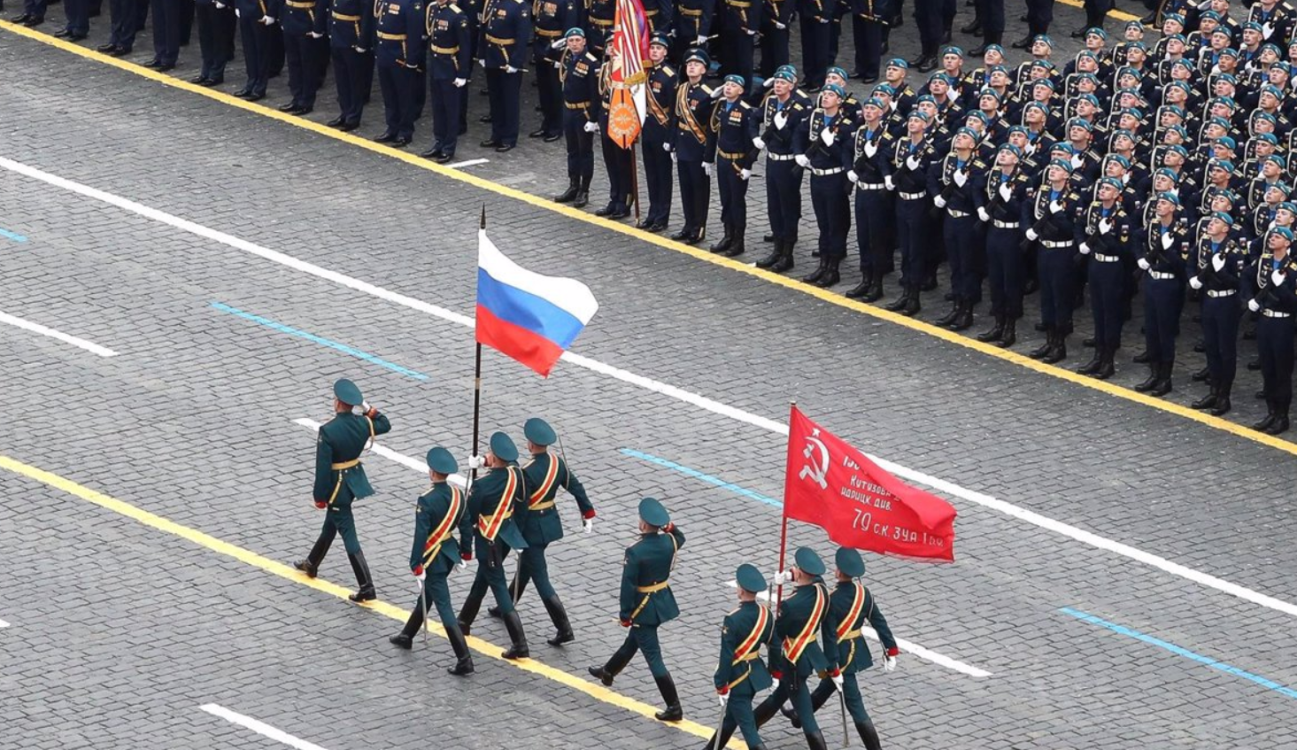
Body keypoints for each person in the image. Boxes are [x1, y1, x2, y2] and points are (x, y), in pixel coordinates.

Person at [486, 418, 595, 647]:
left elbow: (522, 507)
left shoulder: (527, 472)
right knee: (526, 568)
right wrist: (587, 512)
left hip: (532, 531)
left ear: (531, 445)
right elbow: (576, 488)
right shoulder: (557, 463)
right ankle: (507, 603)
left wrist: (516, 534)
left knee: (541, 579)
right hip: (549, 526)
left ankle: (564, 628)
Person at [779, 548, 899, 750]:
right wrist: (890, 649)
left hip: (839, 656)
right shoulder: (864, 594)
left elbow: (830, 636)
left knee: (855, 705)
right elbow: (879, 622)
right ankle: (799, 716)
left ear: (838, 571)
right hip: (856, 649)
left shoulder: (831, 598)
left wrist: (833, 666)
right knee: (827, 686)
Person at [293, 378, 391, 603]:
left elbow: (323, 468)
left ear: (337, 403)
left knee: (348, 534)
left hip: (337, 488)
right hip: (352, 481)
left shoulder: (328, 430)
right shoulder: (363, 424)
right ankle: (312, 563)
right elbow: (385, 424)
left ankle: (366, 586)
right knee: (331, 525)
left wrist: (319, 497)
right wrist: (367, 407)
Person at [588, 497, 686, 722]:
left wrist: (625, 614)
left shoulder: (635, 551)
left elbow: (628, 586)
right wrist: (669, 526)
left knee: (654, 658)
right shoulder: (669, 542)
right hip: (660, 602)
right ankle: (608, 671)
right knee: (634, 641)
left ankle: (674, 706)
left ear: (643, 524)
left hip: (643, 609)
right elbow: (680, 537)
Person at [388, 447, 475, 677]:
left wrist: (415, 563)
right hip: (448, 553)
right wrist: (466, 552)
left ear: (432, 472)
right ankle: (407, 634)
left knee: (444, 608)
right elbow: (466, 526)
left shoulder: (426, 500)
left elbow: (421, 535)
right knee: (427, 595)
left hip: (433, 560)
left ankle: (464, 658)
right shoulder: (458, 495)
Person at [456, 431, 530, 660]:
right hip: (504, 534)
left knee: (498, 587)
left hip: (487, 538)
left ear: (496, 459)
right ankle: (464, 621)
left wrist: (465, 548)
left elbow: (469, 517)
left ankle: (520, 643)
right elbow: (513, 465)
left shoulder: (482, 485)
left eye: (489, 453)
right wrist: (486, 461)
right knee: (483, 579)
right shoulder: (515, 474)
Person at [748, 546, 831, 750]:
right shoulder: (822, 591)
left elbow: (777, 635)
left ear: (802, 572)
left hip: (793, 662)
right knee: (779, 697)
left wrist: (773, 670)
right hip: (810, 653)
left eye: (795, 568)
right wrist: (790, 575)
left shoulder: (790, 605)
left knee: (806, 717)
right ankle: (752, 723)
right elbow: (816, 578)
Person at [698, 564, 774, 750]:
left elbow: (726, 656)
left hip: (738, 680)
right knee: (730, 720)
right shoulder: (766, 614)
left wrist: (720, 684)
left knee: (749, 731)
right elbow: (774, 644)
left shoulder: (733, 619)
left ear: (741, 590)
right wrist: (774, 671)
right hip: (754, 676)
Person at [1023, 158, 1083, 364]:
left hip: (1063, 252)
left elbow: (1073, 230)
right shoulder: (1043, 192)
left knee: (1061, 297)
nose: (1053, 171)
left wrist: (1059, 216)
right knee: (1047, 296)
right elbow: (1027, 209)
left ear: (1067, 175)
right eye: (1052, 168)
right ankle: (1049, 340)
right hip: (1044, 248)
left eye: (1058, 169)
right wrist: (1028, 229)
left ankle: (1060, 343)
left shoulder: (1074, 198)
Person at [1132, 195, 1193, 397]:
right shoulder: (1153, 226)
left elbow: (1182, 266)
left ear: (1173, 208)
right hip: (1151, 280)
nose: (1159, 205)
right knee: (1151, 329)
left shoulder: (1182, 233)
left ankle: (1165, 378)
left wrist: (1169, 250)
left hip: (1169, 284)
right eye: (1158, 203)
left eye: (1164, 203)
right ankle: (1154, 373)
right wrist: (1140, 258)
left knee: (1165, 332)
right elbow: (1136, 238)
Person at [796, 84, 856, 288]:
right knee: (823, 224)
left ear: (840, 101)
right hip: (817, 177)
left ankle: (833, 268)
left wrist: (832, 145)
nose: (825, 97)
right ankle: (823, 264)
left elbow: (848, 157)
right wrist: (800, 154)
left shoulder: (846, 126)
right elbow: (799, 134)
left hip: (835, 178)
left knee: (835, 223)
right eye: (824, 94)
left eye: (831, 94)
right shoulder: (816, 117)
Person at [1188, 212, 1247, 416]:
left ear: (1226, 228)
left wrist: (1221, 273)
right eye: (1211, 221)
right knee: (1211, 347)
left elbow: (1239, 283)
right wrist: (1192, 278)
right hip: (1209, 299)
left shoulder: (1233, 251)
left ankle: (1224, 395)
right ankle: (1213, 390)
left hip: (1226, 302)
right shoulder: (1204, 243)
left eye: (1216, 222)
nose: (1211, 224)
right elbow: (1191, 260)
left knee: (1226, 350)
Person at [1075, 178, 1133, 380]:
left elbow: (1125, 251)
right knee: (1098, 312)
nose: (1102, 190)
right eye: (1101, 187)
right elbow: (1080, 226)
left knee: (1110, 314)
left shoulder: (1122, 218)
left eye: (1108, 188)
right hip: (1096, 263)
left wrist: (1108, 236)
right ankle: (1098, 356)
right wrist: (1082, 243)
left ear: (1117, 194)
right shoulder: (1095, 209)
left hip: (1112, 266)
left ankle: (1108, 360)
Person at [755, 65, 811, 273]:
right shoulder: (770, 101)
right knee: (774, 206)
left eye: (782, 83)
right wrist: (755, 137)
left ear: (792, 85)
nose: (778, 86)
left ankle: (787, 252)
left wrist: (782, 128)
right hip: (772, 159)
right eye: (776, 82)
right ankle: (777, 248)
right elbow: (754, 114)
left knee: (788, 207)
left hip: (788, 162)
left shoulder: (799, 107)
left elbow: (798, 139)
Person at [930, 128, 986, 331]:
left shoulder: (979, 167)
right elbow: (931, 175)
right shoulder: (949, 160)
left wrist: (965, 186)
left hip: (967, 221)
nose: (959, 138)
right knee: (955, 265)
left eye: (964, 137)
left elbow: (978, 196)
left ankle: (967, 310)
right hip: (950, 218)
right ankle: (956, 305)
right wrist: (937, 195)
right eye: (958, 135)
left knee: (967, 266)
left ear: (973, 145)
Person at [973, 143, 1029, 347]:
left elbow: (1024, 211)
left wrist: (1010, 200)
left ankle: (1010, 327)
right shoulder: (993, 175)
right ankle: (998, 322)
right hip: (995, 230)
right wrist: (980, 207)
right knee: (995, 279)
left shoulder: (1024, 181)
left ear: (1016, 159)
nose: (1002, 155)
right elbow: (976, 187)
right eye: (1001, 152)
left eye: (1008, 153)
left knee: (1010, 281)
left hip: (1012, 233)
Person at [884, 110, 938, 316]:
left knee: (915, 251)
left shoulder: (930, 151)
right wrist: (888, 176)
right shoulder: (901, 144)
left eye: (917, 120)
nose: (912, 123)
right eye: (911, 120)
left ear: (925, 126)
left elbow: (929, 181)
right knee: (905, 249)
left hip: (918, 204)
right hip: (901, 200)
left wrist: (915, 170)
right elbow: (884, 158)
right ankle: (906, 291)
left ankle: (914, 296)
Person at [846, 96, 896, 301]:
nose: (868, 111)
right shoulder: (859, 133)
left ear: (881, 113)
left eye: (873, 108)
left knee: (877, 238)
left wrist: (874, 157)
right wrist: (850, 170)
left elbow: (886, 168)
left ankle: (877, 283)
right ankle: (865, 279)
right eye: (866, 108)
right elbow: (847, 152)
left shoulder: (887, 139)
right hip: (862, 190)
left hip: (877, 192)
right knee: (863, 236)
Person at [1248, 227, 1297, 434]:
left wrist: (1282, 288)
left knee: (1282, 372)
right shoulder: (1264, 261)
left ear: (1287, 243)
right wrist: (1248, 298)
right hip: (1265, 320)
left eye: (1278, 237)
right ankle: (1271, 412)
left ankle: (1282, 416)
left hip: (1283, 323)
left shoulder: (1293, 269)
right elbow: (1246, 278)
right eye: (1272, 236)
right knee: (1267, 370)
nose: (1273, 239)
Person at [707, 74, 760, 258]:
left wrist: (748, 166)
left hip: (737, 162)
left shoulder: (745, 111)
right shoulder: (720, 105)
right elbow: (711, 127)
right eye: (726, 84)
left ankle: (739, 240)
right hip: (722, 159)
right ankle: (727, 235)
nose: (728, 88)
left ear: (741, 91)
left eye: (733, 85)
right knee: (725, 200)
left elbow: (750, 141)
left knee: (737, 202)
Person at [671, 48, 716, 246]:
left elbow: (712, 128)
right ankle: (688, 224)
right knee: (686, 188)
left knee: (699, 190)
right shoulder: (681, 89)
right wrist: (673, 143)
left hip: (698, 147)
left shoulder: (708, 94)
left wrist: (708, 155)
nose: (691, 66)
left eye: (696, 64)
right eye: (689, 64)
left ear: (704, 70)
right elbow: (676, 118)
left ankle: (699, 228)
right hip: (683, 145)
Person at [419, 0, 472, 161]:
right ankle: (439, 141)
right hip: (437, 64)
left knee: (451, 109)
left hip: (450, 66)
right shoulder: (434, 9)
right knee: (438, 107)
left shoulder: (458, 16)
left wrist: (463, 74)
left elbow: (465, 48)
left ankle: (449, 147)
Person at [478, 0, 532, 152]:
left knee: (509, 100)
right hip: (492, 55)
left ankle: (509, 137)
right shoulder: (491, 2)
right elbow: (484, 28)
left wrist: (515, 62)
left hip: (507, 56)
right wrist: (481, 53)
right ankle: (496, 134)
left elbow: (522, 38)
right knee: (495, 99)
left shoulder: (520, 6)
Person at [553, 28, 598, 208]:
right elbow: (547, 54)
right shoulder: (568, 57)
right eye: (570, 40)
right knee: (572, 150)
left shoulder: (592, 63)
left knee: (584, 151)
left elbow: (596, 94)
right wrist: (555, 46)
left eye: (577, 40)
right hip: (569, 110)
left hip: (583, 111)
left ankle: (584, 189)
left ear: (584, 41)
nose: (574, 43)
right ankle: (573, 185)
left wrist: (593, 119)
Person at [638, 33, 676, 232]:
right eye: (652, 48)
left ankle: (662, 217)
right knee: (651, 174)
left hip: (662, 129)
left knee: (663, 175)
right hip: (648, 128)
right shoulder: (646, 71)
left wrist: (671, 139)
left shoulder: (669, 76)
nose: (654, 51)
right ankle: (652, 213)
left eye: (658, 48)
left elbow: (674, 110)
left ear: (665, 52)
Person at [372, 0, 423, 146]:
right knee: (389, 94)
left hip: (400, 55)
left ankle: (405, 131)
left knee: (404, 95)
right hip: (384, 51)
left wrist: (412, 60)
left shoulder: (412, 3)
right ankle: (392, 127)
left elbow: (414, 34)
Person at [529, 0, 577, 142]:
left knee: (556, 91)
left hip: (555, 48)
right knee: (544, 90)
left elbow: (568, 31)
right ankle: (547, 123)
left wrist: (562, 56)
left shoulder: (567, 3)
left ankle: (556, 126)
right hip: (541, 44)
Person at [594, 53, 634, 220]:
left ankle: (624, 201)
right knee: (610, 160)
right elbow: (600, 94)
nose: (612, 48)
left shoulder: (629, 70)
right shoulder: (605, 68)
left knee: (622, 162)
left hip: (622, 117)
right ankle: (614, 197)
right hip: (606, 114)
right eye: (610, 46)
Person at [326, 0, 376, 131]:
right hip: (338, 33)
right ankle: (345, 112)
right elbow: (332, 7)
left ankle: (353, 116)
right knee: (341, 79)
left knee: (355, 80)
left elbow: (367, 17)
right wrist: (330, 28)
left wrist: (363, 42)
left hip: (352, 35)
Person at [276, 0, 328, 115]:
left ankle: (306, 101)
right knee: (293, 62)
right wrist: (282, 16)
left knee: (308, 64)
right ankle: (296, 97)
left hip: (306, 17)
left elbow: (322, 3)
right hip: (290, 15)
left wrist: (318, 27)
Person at [191, 0, 235, 85]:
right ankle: (206, 70)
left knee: (219, 37)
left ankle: (216, 73)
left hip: (217, 3)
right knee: (205, 36)